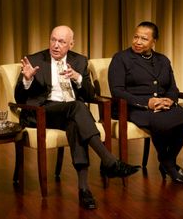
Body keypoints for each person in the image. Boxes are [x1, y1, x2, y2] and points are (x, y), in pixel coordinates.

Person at [15, 25, 140, 210]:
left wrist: (78, 79)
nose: (56, 45)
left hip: (71, 113)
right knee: (77, 107)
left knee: (75, 123)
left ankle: (84, 190)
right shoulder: (34, 60)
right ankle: (109, 161)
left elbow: (91, 95)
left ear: (71, 44)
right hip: (43, 113)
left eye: (61, 42)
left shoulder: (80, 61)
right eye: (53, 40)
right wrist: (26, 80)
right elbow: (19, 98)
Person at [108, 21, 183, 185]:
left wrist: (170, 100)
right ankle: (169, 164)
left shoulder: (163, 60)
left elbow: (172, 88)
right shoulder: (121, 58)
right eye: (136, 37)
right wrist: (148, 103)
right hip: (133, 107)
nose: (138, 42)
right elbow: (117, 91)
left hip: (161, 105)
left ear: (154, 41)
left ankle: (167, 161)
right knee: (162, 123)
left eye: (144, 39)